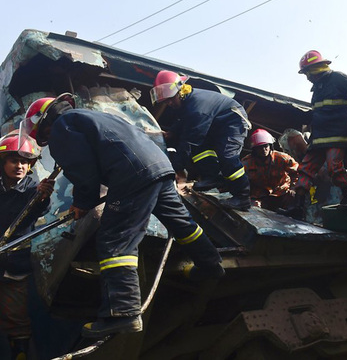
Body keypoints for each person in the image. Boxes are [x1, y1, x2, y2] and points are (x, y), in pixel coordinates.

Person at [20, 93, 225, 338]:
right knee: (181, 223)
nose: (44, 138)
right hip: (159, 168)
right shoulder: (92, 117)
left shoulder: (63, 128)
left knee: (115, 239)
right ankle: (211, 264)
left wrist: (82, 203)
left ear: (43, 123)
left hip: (131, 175)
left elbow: (84, 171)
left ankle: (122, 312)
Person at [150, 70, 252, 211]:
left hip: (233, 121)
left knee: (227, 156)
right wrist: (171, 132)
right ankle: (212, 177)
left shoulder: (197, 107)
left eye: (171, 99)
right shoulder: (186, 103)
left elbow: (189, 141)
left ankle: (243, 198)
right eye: (166, 101)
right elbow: (184, 120)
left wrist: (175, 166)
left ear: (180, 91)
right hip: (216, 123)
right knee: (200, 150)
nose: (169, 103)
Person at [285, 50, 347, 218]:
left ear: (315, 69)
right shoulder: (317, 90)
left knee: (334, 166)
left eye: (307, 73)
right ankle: (297, 207)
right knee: (305, 169)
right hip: (319, 139)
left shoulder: (337, 79)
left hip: (337, 136)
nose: (307, 77)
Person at [0, 134, 53, 359]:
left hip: (14, 265)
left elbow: (38, 210)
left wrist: (43, 197)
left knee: (16, 317)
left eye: (25, 161)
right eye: (14, 160)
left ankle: (19, 354)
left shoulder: (35, 191)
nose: (20, 165)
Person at [241, 129, 298, 211]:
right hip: (259, 196)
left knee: (294, 202)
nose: (264, 150)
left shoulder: (282, 158)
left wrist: (293, 188)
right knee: (252, 209)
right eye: (260, 147)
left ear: (270, 146)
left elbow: (297, 172)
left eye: (266, 146)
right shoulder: (246, 163)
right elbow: (240, 181)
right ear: (254, 149)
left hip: (282, 193)